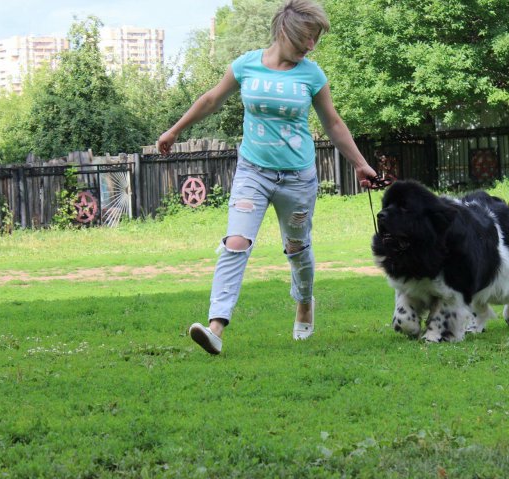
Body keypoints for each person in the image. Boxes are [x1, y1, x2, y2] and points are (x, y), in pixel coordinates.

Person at [157, 0, 377, 355]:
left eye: (315, 39)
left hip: (297, 178)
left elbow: (332, 123)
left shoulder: (312, 75)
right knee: (236, 242)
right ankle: (215, 327)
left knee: (296, 248)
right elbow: (211, 99)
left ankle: (304, 302)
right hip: (252, 172)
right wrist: (174, 131)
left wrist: (359, 163)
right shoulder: (246, 65)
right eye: (307, 37)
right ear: (284, 30)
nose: (311, 46)